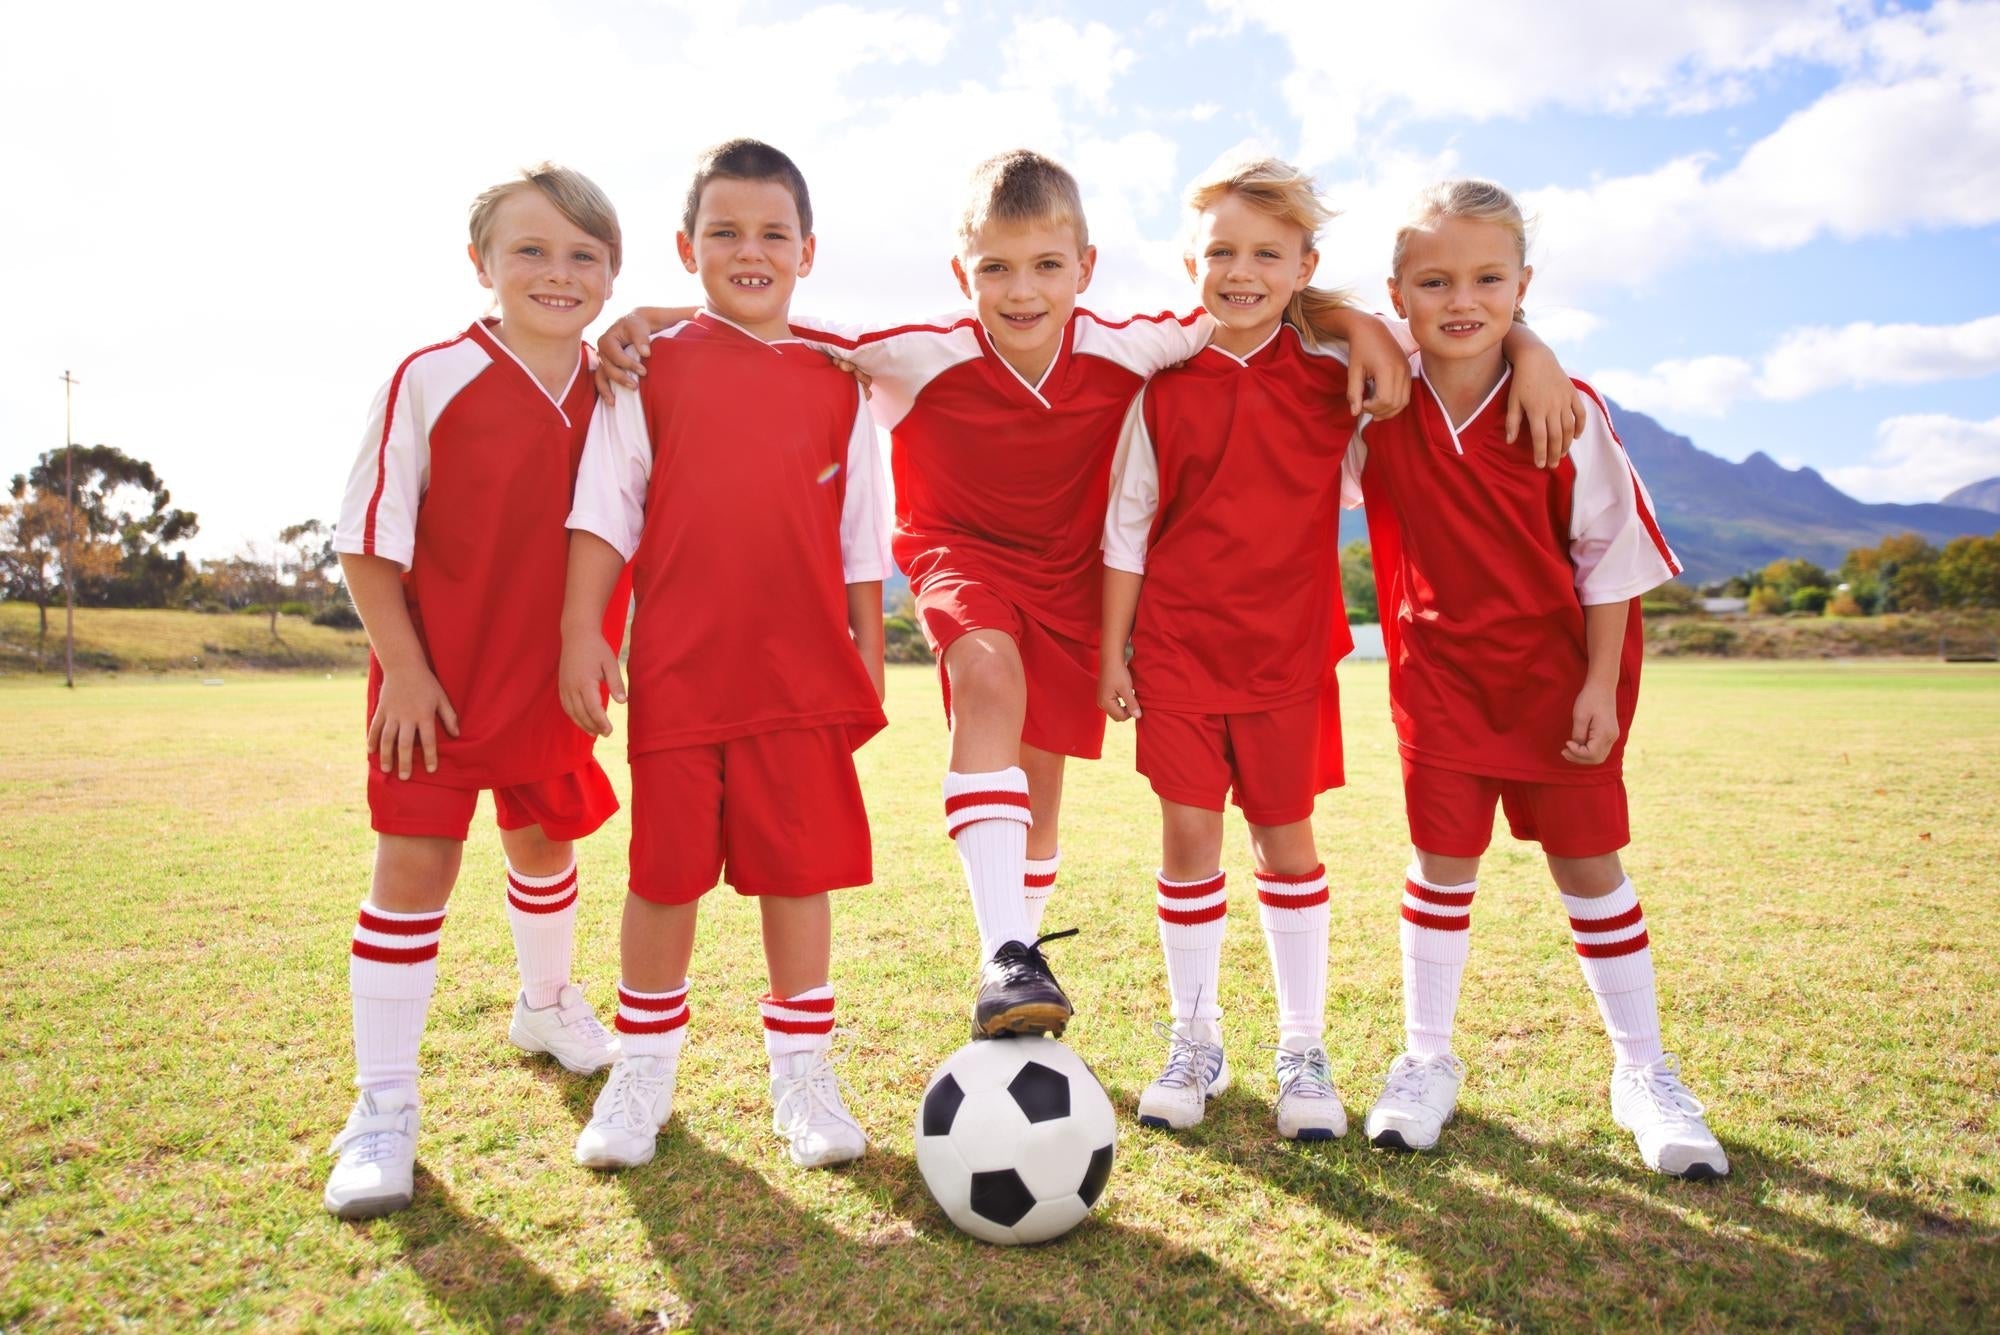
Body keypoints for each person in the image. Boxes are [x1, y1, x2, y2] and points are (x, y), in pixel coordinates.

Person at [598, 150, 1439, 1041]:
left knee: (1036, 809)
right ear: (963, 273)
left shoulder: (1137, 342)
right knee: (988, 675)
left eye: (1046, 265)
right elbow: (766, 312)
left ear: (1086, 267)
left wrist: (1359, 320)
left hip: (1070, 587)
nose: (1022, 290)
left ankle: (1018, 978)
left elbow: (1256, 304)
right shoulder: (913, 349)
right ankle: (1005, 954)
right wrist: (653, 316)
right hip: (961, 563)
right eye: (996, 268)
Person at [1345, 179, 1728, 1179]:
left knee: (1588, 867)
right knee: (1439, 864)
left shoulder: (1565, 407)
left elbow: (1611, 558)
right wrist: (1359, 328)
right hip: (1436, 673)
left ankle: (1642, 1071)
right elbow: (1279, 304)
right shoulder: (1374, 398)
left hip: (1559, 679)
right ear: (1396, 292)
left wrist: (1599, 687)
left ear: (1524, 285)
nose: (1460, 300)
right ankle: (1426, 1059)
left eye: (1488, 280)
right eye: (1433, 281)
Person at [559, 139, 890, 1172]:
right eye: (725, 233)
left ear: (807, 250)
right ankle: (642, 1072)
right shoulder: (649, 367)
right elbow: (606, 508)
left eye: (772, 234)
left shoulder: (840, 376)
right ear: (686, 247)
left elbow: (861, 536)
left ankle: (804, 1075)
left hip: (799, 670)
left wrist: (868, 653)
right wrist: (582, 630)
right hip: (681, 666)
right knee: (662, 877)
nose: (751, 252)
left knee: (798, 873)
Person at [324, 164, 630, 1219]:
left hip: (553, 675)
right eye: (530, 250)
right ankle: (382, 1106)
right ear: (481, 264)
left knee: (544, 843)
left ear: (613, 273)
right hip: (436, 680)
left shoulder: (619, 387)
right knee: (415, 866)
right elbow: (366, 539)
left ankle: (545, 1004)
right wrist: (404, 669)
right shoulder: (432, 376)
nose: (557, 272)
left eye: (583, 254)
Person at [1099, 153, 1363, 1141]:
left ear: (1303, 267)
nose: (1240, 272)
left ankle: (1302, 1048)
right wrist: (1113, 652)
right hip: (1173, 651)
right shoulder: (1160, 387)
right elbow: (1127, 529)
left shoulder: (1337, 383)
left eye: (1265, 254)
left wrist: (1362, 327)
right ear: (1190, 264)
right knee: (1188, 839)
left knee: (1284, 840)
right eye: (1220, 253)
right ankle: (1195, 1038)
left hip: (1288, 655)